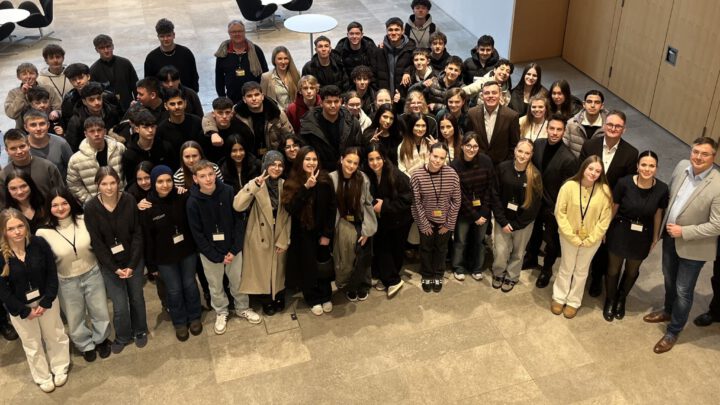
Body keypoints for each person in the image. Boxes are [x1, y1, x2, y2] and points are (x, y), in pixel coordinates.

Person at [644, 137, 720, 354]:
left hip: (694, 247)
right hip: (670, 238)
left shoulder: (717, 184)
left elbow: (717, 225)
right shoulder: (682, 167)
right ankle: (668, 310)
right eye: (695, 151)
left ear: (713, 157)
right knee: (669, 279)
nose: (698, 157)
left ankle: (673, 330)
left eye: (704, 154)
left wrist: (684, 232)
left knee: (683, 290)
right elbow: (669, 197)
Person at [36, 187, 113, 362]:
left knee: (100, 310)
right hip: (66, 280)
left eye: (64, 203)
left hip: (92, 273)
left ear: (71, 203)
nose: (60, 208)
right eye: (55, 205)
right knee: (74, 316)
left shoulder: (84, 220)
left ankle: (101, 339)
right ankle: (84, 344)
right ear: (49, 208)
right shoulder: (43, 232)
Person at [186, 160, 262, 334]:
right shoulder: (192, 202)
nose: (208, 179)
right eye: (202, 176)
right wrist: (216, 255)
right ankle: (221, 311)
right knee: (215, 285)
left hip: (232, 250)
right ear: (195, 179)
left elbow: (238, 220)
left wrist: (234, 249)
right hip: (210, 254)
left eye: (210, 174)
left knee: (238, 281)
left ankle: (242, 307)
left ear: (216, 174)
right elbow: (197, 234)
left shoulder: (228, 191)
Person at [0, 209, 70, 393]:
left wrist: (47, 301)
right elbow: (3, 291)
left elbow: (52, 273)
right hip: (20, 308)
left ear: (26, 226)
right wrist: (25, 311)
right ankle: (42, 376)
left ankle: (60, 367)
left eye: (20, 226)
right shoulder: (1, 255)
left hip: (46, 300)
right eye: (11, 229)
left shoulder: (39, 243)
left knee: (55, 334)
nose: (17, 232)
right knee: (32, 343)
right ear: (3, 231)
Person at [84, 167, 148, 353]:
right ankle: (122, 335)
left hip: (133, 261)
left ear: (118, 183)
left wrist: (132, 265)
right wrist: (114, 268)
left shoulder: (129, 200)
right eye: (104, 184)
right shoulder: (91, 208)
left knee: (137, 298)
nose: (109, 187)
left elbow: (137, 234)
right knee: (119, 305)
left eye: (113, 183)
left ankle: (140, 330)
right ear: (97, 185)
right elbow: (97, 242)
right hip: (110, 266)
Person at [579, 110, 639, 297]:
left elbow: (628, 185)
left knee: (603, 245)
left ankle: (597, 277)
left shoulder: (631, 153)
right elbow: (580, 173)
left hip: (610, 206)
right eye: (610, 124)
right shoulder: (590, 145)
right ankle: (580, 273)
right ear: (604, 125)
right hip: (586, 201)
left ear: (624, 129)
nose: (613, 128)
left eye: (618, 126)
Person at [603, 151, 669, 321]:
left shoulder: (662, 189)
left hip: (643, 234)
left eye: (651, 166)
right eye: (644, 165)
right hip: (620, 229)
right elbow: (614, 207)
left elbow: (658, 214)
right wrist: (604, 229)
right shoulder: (624, 183)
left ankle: (621, 298)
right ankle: (610, 299)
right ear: (637, 166)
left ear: (657, 168)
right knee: (613, 269)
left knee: (632, 271)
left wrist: (655, 237)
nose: (647, 169)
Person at [140, 165, 203, 341]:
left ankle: (194, 316)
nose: (165, 185)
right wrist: (151, 265)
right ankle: (180, 321)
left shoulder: (183, 196)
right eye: (160, 181)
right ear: (154, 183)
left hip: (187, 251)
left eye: (169, 180)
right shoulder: (147, 206)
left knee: (190, 285)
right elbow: (147, 239)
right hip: (164, 258)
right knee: (174, 290)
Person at [551, 156, 612, 319]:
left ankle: (573, 301)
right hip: (568, 237)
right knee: (566, 267)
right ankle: (559, 297)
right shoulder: (569, 186)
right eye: (590, 169)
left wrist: (591, 239)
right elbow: (560, 212)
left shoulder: (604, 190)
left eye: (598, 171)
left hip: (591, 241)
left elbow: (605, 219)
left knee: (582, 271)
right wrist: (572, 237)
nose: (593, 173)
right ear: (583, 168)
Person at [523, 115, 578, 288]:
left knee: (552, 241)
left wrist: (558, 210)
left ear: (564, 131)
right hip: (535, 202)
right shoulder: (538, 144)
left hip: (553, 206)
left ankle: (547, 270)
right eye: (552, 128)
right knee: (534, 233)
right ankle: (531, 258)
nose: (554, 133)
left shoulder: (569, 158)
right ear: (547, 128)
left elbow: (567, 190)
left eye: (559, 129)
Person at [233, 151, 291, 316]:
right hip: (259, 234)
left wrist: (284, 239)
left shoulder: (285, 185)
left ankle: (278, 295)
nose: (277, 168)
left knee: (279, 268)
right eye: (273, 164)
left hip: (279, 232)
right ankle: (266, 299)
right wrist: (255, 185)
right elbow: (238, 205)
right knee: (262, 268)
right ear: (265, 165)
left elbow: (289, 215)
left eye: (280, 165)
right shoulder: (257, 183)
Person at [282, 147, 336, 315]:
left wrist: (327, 234)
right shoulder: (291, 182)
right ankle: (312, 298)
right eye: (307, 159)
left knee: (323, 265)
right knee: (307, 267)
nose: (311, 162)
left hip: (322, 232)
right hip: (302, 233)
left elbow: (331, 208)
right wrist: (306, 187)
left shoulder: (325, 179)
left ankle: (326, 296)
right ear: (300, 161)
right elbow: (291, 208)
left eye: (314, 159)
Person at [490, 139, 543, 292]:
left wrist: (516, 224)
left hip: (523, 223)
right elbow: (494, 194)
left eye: (527, 153)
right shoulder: (502, 168)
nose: (522, 155)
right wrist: (502, 221)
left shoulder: (535, 175)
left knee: (518, 253)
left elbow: (535, 205)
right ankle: (498, 272)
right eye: (520, 151)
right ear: (514, 151)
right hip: (503, 220)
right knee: (500, 250)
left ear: (531, 155)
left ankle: (512, 276)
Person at [410, 143, 460, 292]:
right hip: (426, 221)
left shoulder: (452, 174)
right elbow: (416, 203)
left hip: (445, 222)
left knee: (441, 249)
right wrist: (424, 224)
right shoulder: (417, 175)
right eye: (435, 156)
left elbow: (456, 201)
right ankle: (427, 274)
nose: (437, 160)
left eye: (441, 158)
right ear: (428, 155)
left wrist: (448, 224)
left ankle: (438, 274)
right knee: (425, 249)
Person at [364, 144, 412, 297]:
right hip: (383, 219)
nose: (375, 162)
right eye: (371, 159)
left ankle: (392, 280)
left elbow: (408, 200)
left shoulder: (396, 175)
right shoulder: (368, 175)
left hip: (400, 219)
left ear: (384, 158)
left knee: (395, 250)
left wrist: (384, 206)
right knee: (383, 249)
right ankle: (388, 279)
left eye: (378, 158)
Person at [330, 147, 377, 302]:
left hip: (360, 222)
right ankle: (349, 286)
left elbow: (368, 204)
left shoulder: (362, 178)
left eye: (355, 163)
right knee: (345, 258)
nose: (351, 166)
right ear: (341, 159)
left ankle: (363, 285)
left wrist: (367, 230)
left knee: (363, 256)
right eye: (348, 161)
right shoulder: (332, 178)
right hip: (342, 223)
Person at [202, 81, 293, 158]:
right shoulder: (237, 112)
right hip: (249, 157)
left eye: (256, 95)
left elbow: (289, 135)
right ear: (244, 99)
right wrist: (213, 133)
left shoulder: (277, 113)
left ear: (262, 96)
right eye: (249, 96)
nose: (254, 99)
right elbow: (209, 116)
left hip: (274, 155)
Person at [450, 132, 495, 281]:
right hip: (464, 212)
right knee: (460, 242)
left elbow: (490, 187)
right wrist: (474, 215)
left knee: (479, 242)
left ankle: (477, 268)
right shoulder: (455, 165)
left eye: (475, 146)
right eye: (468, 145)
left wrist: (483, 212)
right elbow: (459, 194)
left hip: (483, 211)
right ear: (462, 146)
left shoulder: (486, 161)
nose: (471, 149)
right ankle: (458, 267)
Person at [299, 85, 362, 172]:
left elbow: (358, 147)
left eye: (336, 101)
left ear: (341, 101)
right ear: (321, 103)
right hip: (320, 172)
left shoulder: (352, 122)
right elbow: (305, 153)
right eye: (328, 102)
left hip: (346, 170)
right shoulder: (309, 124)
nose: (333, 105)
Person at [66, 117, 126, 205]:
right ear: (85, 134)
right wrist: (90, 201)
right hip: (95, 205)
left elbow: (127, 174)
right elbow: (73, 184)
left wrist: (124, 195)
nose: (96, 134)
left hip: (121, 200)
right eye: (92, 131)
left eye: (99, 130)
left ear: (105, 131)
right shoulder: (76, 159)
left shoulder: (119, 148)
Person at [464, 81, 520, 166]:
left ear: (500, 95)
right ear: (482, 96)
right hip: (477, 164)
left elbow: (514, 145)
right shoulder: (472, 113)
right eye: (487, 93)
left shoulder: (512, 116)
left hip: (500, 166)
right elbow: (468, 139)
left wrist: (505, 165)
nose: (490, 96)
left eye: (494, 93)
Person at [0, 130, 64, 202]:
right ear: (7, 151)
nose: (19, 151)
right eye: (13, 148)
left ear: (28, 145)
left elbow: (61, 195)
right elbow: (3, 203)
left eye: (22, 146)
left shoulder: (48, 167)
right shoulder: (3, 175)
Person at [215, 20, 268, 104]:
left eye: (240, 31)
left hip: (254, 99)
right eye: (233, 32)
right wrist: (222, 98)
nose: (237, 34)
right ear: (229, 33)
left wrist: (263, 96)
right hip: (233, 99)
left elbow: (265, 74)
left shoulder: (256, 50)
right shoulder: (223, 53)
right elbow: (219, 78)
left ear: (244, 32)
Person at [122, 108, 175, 186]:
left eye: (152, 126)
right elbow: (131, 182)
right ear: (137, 129)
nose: (150, 130)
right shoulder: (129, 154)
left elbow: (173, 172)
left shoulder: (166, 147)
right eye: (145, 127)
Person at [144, 18, 200, 92]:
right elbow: (149, 83)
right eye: (162, 36)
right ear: (158, 37)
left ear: (174, 35)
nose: (165, 39)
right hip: (162, 97)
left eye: (168, 35)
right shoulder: (151, 58)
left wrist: (193, 94)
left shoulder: (186, 53)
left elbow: (194, 76)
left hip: (185, 94)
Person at [64, 82, 122, 151]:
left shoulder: (112, 111)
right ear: (84, 102)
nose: (97, 102)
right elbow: (72, 147)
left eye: (99, 98)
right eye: (91, 100)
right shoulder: (76, 121)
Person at [90, 34, 139, 112]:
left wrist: (139, 104)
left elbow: (136, 86)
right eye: (102, 48)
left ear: (113, 46)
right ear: (96, 50)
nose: (106, 50)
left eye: (108, 46)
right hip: (108, 111)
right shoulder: (93, 70)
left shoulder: (125, 63)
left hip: (129, 107)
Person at [4, 63, 61, 129]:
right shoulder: (13, 93)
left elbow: (59, 108)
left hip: (48, 127)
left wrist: (56, 112)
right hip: (23, 130)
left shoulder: (48, 89)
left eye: (31, 73)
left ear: (37, 75)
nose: (28, 77)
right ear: (18, 77)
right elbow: (11, 114)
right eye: (24, 74)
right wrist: (22, 94)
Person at [374, 17, 417, 103]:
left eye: (397, 30)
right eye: (390, 30)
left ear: (402, 31)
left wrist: (407, 71)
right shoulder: (380, 50)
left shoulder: (411, 49)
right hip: (385, 98)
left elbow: (417, 66)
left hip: (404, 97)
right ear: (386, 31)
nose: (393, 33)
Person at [23, 109, 73, 178]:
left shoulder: (61, 143)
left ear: (48, 125)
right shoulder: (19, 146)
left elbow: (73, 168)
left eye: (42, 124)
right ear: (26, 127)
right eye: (33, 125)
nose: (38, 128)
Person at [156, 87, 205, 156]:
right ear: (166, 106)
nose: (177, 107)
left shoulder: (196, 121)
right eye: (172, 104)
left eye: (179, 103)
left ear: (185, 103)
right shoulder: (161, 129)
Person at [563, 90, 607, 157]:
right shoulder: (571, 124)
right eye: (589, 102)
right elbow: (564, 148)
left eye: (597, 102)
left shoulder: (609, 127)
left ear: (602, 106)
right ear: (584, 104)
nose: (592, 105)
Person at [260, 46, 300, 111]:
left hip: (293, 113)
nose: (283, 62)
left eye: (286, 58)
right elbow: (263, 99)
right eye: (280, 59)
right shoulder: (266, 77)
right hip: (276, 114)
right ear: (274, 60)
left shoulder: (296, 74)